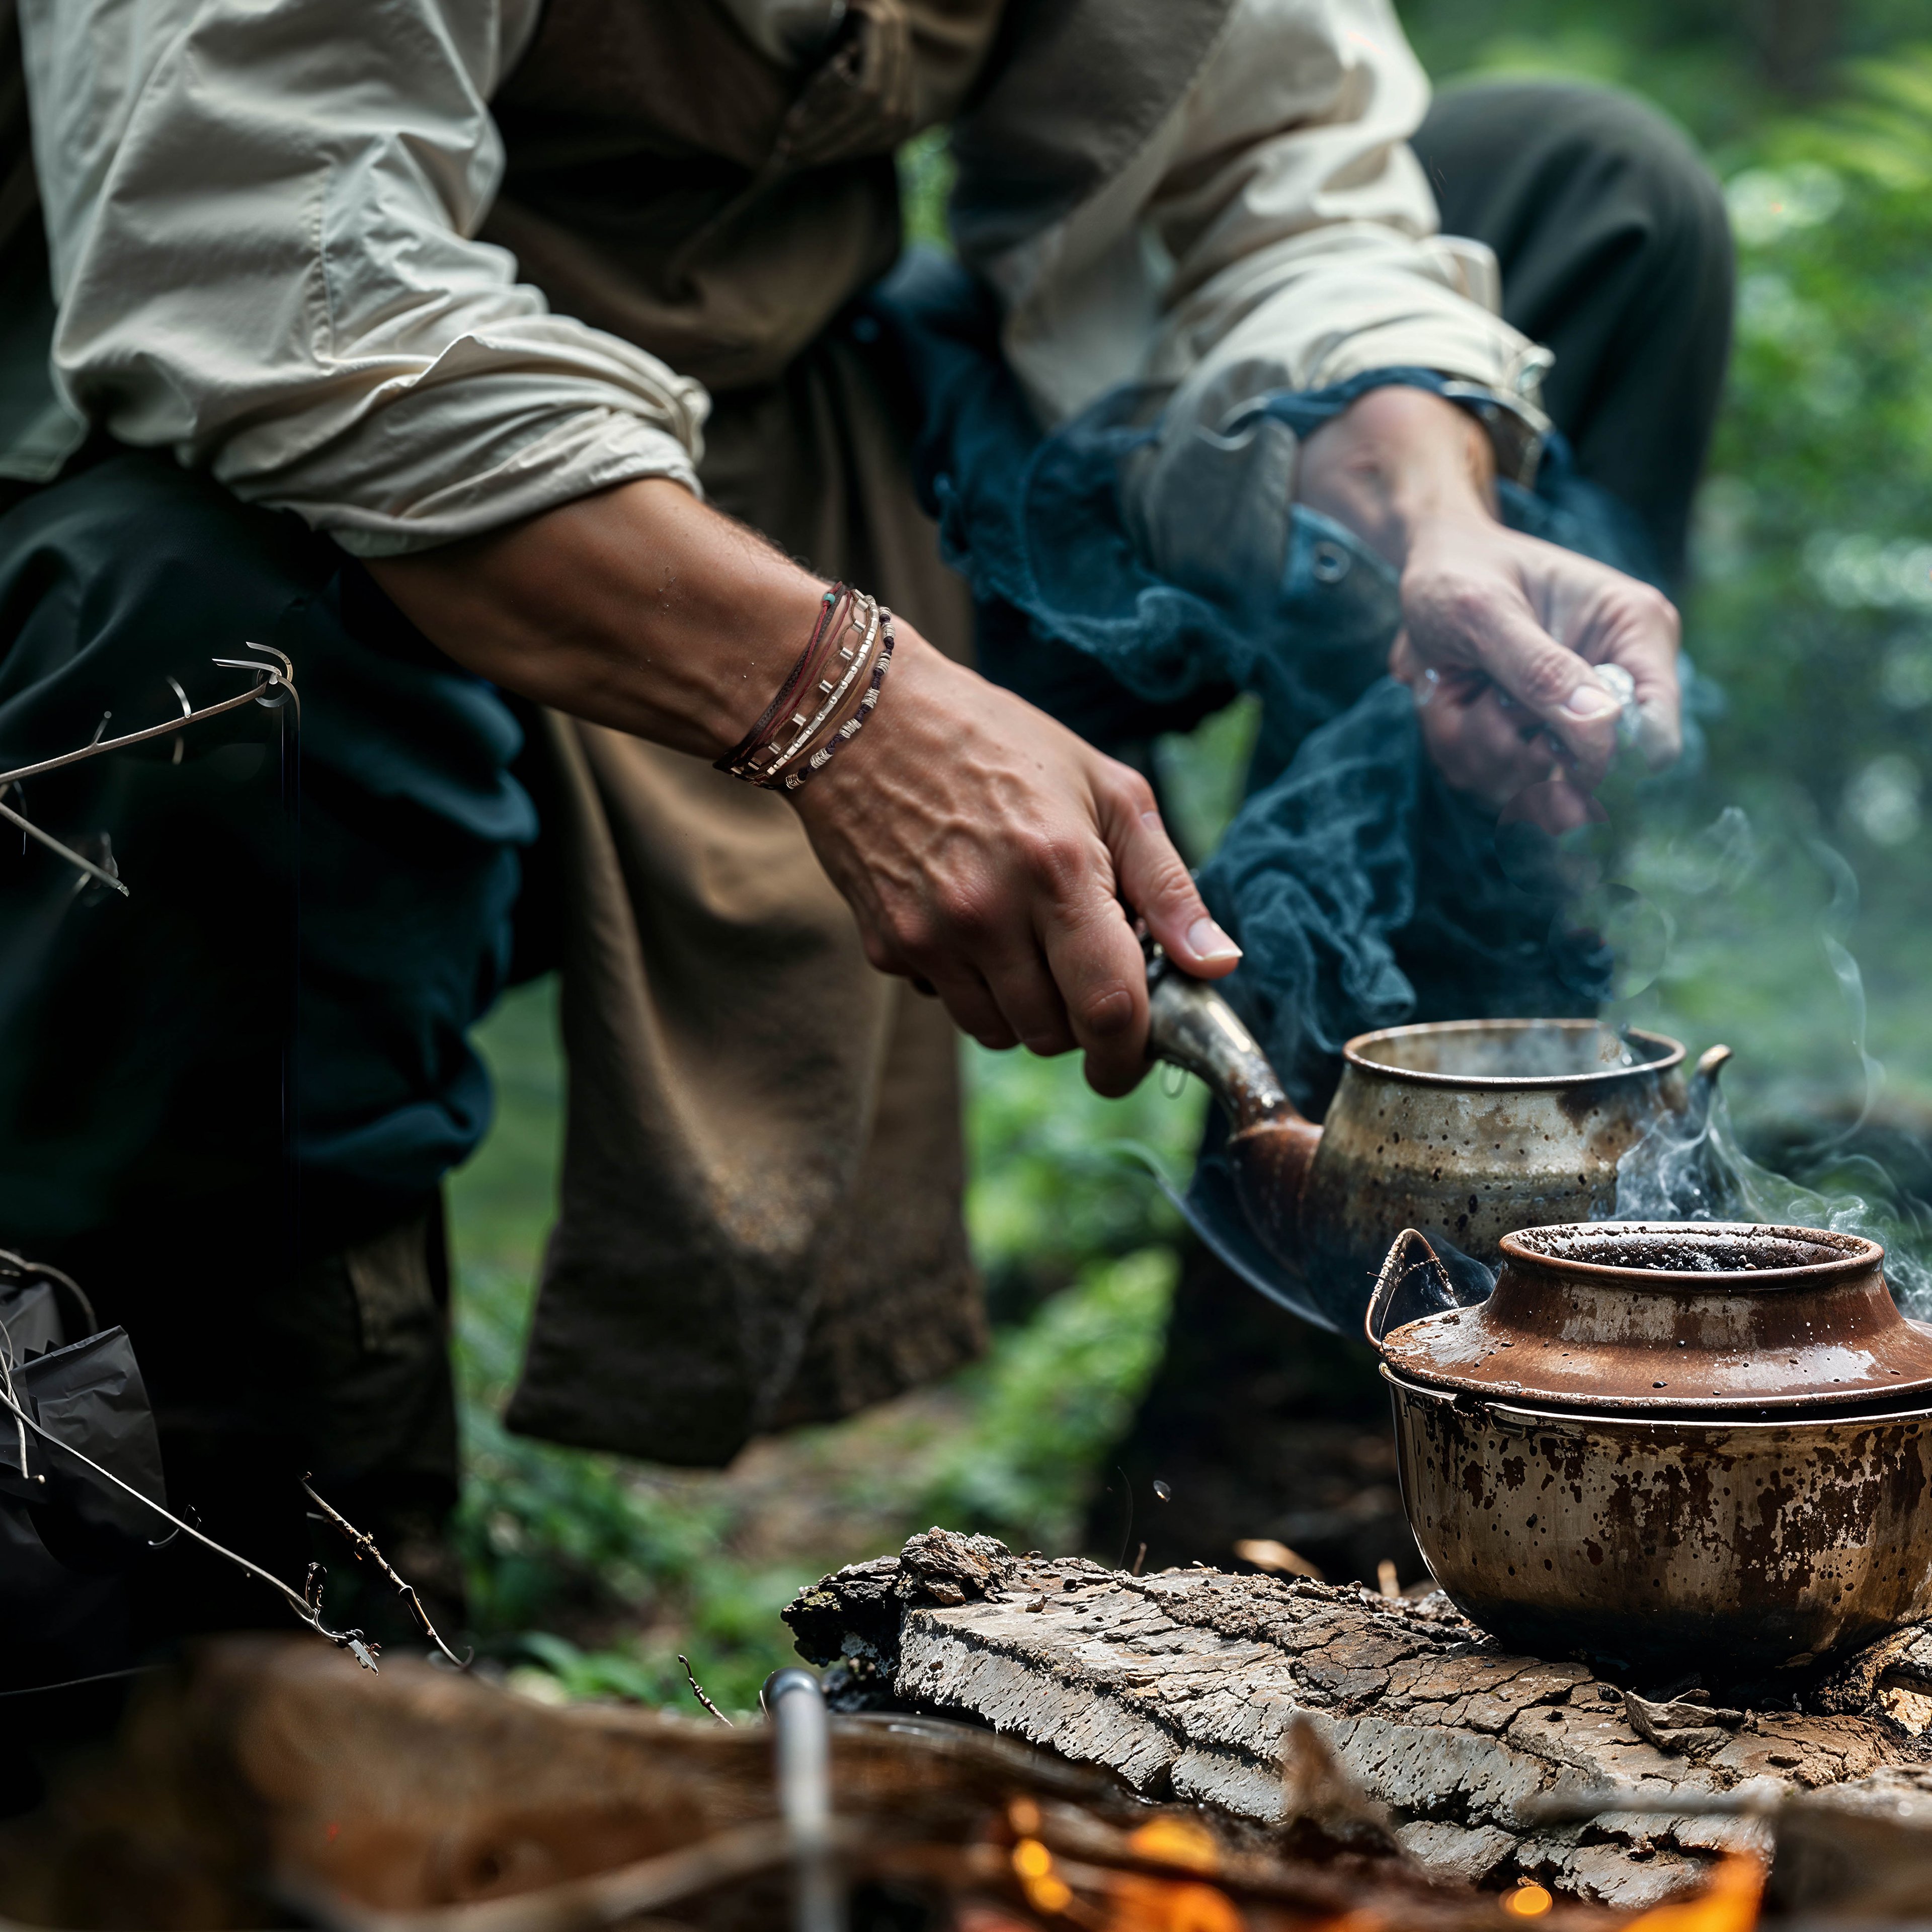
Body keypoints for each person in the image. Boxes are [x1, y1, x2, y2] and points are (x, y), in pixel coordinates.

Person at [0, 0, 1710, 1652]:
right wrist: (844, 701)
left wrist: (1430, 520)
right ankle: (277, 1617)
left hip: (821, 433)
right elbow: (261, 270)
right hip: (340, 498)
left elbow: (1267, 174)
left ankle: (1335, 1439)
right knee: (194, 635)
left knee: (1574, 190)